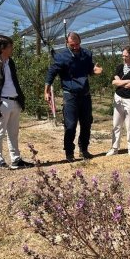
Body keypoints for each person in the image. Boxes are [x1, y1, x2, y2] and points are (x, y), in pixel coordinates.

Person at [45, 32, 103, 162]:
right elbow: (51, 73)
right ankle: (69, 152)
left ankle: (84, 150)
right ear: (67, 43)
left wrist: (95, 72)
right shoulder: (61, 57)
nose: (75, 47)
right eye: (72, 45)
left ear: (80, 42)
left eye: (77, 44)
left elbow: (89, 70)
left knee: (86, 123)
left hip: (85, 95)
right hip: (70, 95)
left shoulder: (87, 54)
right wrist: (47, 90)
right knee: (70, 125)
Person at [0, 35, 34, 169]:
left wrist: (20, 99)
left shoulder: (10, 61)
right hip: (3, 103)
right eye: (10, 46)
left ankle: (16, 160)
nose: (12, 48)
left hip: (15, 101)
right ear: (1, 48)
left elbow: (14, 82)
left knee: (13, 132)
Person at [106, 46, 130, 156]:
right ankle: (114, 148)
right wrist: (127, 81)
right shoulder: (120, 67)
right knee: (116, 124)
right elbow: (114, 82)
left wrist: (121, 82)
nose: (124, 58)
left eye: (126, 56)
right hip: (118, 98)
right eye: (123, 55)